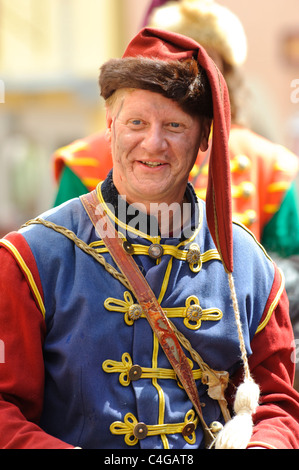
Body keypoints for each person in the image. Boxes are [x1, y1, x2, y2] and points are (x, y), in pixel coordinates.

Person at [1, 27, 298, 450]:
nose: (153, 143)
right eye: (136, 122)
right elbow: (3, 407)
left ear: (204, 138)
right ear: (110, 126)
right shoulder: (29, 259)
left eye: (175, 125)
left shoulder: (250, 266)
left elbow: (278, 404)